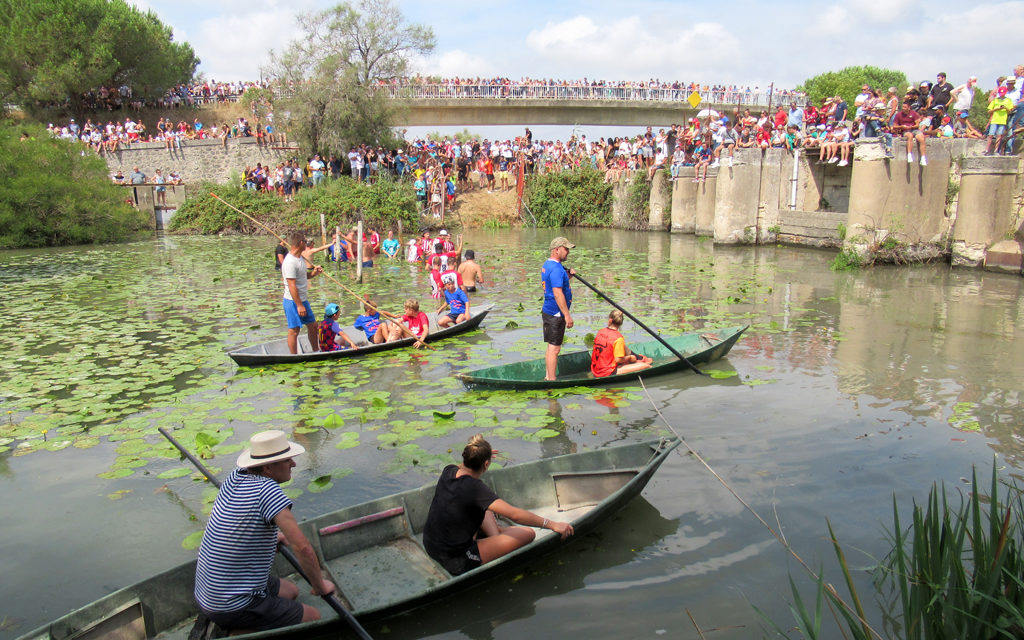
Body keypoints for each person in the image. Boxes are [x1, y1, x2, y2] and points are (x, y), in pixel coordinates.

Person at [194, 430, 335, 631]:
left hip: (208, 595)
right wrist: (320, 585)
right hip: (230, 605)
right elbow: (302, 548)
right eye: (287, 461)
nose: (294, 464)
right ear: (268, 467)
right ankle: (241, 629)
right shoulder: (268, 492)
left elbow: (243, 522)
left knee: (291, 591)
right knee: (314, 617)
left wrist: (269, 538)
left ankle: (251, 622)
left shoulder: (236, 476)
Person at [422, 434, 574, 576]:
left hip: (431, 544)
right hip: (455, 559)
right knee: (528, 534)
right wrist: (552, 524)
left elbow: (464, 466)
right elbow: (515, 515)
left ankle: (495, 538)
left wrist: (480, 455)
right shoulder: (476, 489)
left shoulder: (449, 470)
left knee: (485, 506)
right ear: (486, 464)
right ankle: (496, 537)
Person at [281, 233, 323, 354]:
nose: (307, 244)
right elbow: (291, 285)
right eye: (305, 241)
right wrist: (299, 305)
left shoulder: (300, 258)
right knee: (294, 330)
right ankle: (293, 356)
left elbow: (304, 277)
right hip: (292, 301)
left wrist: (314, 273)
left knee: (313, 325)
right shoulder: (289, 262)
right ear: (300, 243)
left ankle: (316, 350)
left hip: (303, 299)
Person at [541, 237, 575, 381]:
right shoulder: (556, 269)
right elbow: (557, 292)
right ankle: (552, 380)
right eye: (565, 249)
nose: (568, 252)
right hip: (556, 313)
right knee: (555, 348)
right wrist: (567, 315)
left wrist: (568, 276)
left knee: (551, 346)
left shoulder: (549, 265)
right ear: (556, 250)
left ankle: (548, 376)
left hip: (548, 310)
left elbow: (554, 281)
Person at [590, 310, 653, 377]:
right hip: (607, 372)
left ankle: (638, 358)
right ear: (621, 323)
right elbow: (618, 360)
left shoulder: (600, 331)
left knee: (622, 346)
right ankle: (638, 359)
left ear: (610, 320)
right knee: (646, 366)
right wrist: (629, 358)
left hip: (595, 370)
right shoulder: (618, 337)